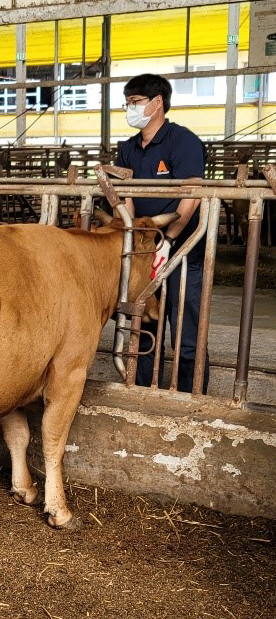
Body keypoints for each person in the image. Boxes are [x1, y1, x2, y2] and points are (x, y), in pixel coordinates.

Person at [116, 73, 209, 394]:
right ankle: (141, 390)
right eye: (127, 103)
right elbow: (124, 194)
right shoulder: (127, 148)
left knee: (186, 329)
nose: (130, 109)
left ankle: (190, 397)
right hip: (144, 252)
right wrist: (130, 232)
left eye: (135, 102)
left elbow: (192, 194)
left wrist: (170, 239)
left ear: (158, 103)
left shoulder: (182, 142)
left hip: (183, 251)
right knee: (143, 324)